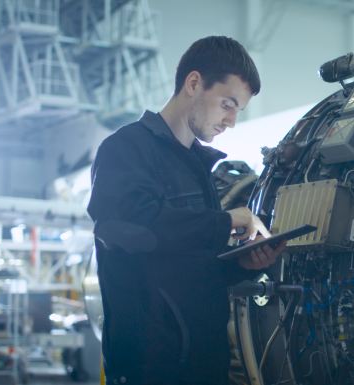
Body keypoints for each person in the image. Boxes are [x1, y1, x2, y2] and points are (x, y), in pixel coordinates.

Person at [87, 36, 285, 385]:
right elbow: (133, 230)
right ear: (193, 83)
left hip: (205, 367)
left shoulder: (196, 168)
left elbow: (190, 264)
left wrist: (242, 265)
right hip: (150, 369)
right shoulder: (125, 149)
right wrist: (226, 221)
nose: (231, 121)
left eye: (238, 110)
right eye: (227, 104)